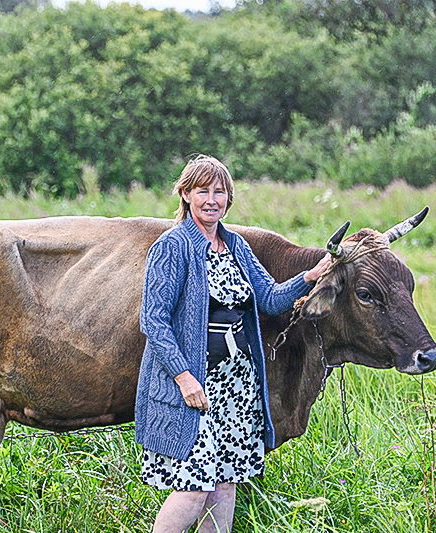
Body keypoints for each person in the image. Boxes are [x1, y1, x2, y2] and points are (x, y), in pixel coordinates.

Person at [135, 154, 331, 533]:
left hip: (236, 389)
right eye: (203, 191)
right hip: (195, 387)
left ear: (229, 198)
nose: (212, 199)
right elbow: (153, 320)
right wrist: (183, 377)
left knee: (225, 483)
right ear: (185, 194)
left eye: (220, 192)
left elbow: (270, 298)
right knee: (193, 488)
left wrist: (309, 276)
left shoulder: (236, 245)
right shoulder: (172, 247)